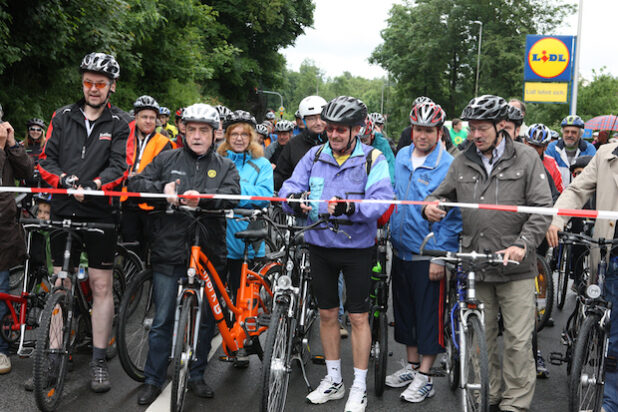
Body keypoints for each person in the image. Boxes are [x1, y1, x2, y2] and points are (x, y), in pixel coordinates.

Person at [423, 95, 552, 412]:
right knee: (483, 343)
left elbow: (541, 210)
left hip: (516, 269)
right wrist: (431, 207)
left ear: (500, 126)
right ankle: (487, 394)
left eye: (482, 128)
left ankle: (514, 404)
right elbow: (439, 195)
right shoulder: (462, 160)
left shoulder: (525, 158)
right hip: (476, 265)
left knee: (519, 343)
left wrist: (522, 244)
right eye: (471, 129)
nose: (475, 134)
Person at [280, 96, 394, 412]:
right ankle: (334, 380)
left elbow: (382, 201)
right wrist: (293, 200)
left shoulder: (373, 159)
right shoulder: (315, 156)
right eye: (330, 129)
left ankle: (358, 386)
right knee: (328, 314)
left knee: (357, 317)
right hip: (319, 246)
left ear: (356, 129)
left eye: (341, 130)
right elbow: (288, 187)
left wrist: (351, 208)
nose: (334, 135)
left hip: (357, 248)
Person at [128, 103, 240, 405]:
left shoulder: (226, 165)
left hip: (209, 250)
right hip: (170, 248)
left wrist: (204, 199)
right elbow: (135, 182)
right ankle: (152, 379)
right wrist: (161, 188)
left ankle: (196, 375)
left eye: (204, 130)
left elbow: (232, 195)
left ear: (215, 134)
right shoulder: (166, 158)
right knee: (162, 318)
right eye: (192, 129)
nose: (197, 136)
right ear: (184, 131)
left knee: (205, 321)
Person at [36, 52, 129, 393]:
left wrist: (91, 186)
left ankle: (99, 360)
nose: (93, 88)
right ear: (82, 82)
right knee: (60, 283)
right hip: (63, 209)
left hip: (101, 212)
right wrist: (64, 181)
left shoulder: (122, 122)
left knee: (100, 285)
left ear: (111, 87)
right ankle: (53, 355)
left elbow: (121, 167)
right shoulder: (62, 116)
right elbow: (46, 160)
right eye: (88, 82)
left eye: (100, 83)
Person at [387, 101, 461, 402]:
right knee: (405, 314)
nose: (422, 135)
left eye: (429, 130)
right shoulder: (403, 154)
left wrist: (441, 254)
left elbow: (455, 215)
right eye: (418, 129)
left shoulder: (449, 164)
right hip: (401, 249)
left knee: (428, 316)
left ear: (439, 132)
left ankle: (427, 376)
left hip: (428, 253)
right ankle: (413, 366)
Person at [545, 141, 618, 412]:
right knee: (604, 322)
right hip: (608, 251)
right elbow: (576, 190)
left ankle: (610, 402)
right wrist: (557, 219)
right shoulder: (606, 154)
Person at [217, 110, 273, 326]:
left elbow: (264, 197)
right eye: (234, 134)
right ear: (227, 137)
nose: (239, 138)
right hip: (221, 239)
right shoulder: (218, 160)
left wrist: (232, 191)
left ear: (252, 137)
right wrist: (244, 196)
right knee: (220, 296)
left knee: (245, 299)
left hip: (249, 241)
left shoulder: (262, 164)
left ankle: (245, 343)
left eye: (244, 134)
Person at [121, 95, 175, 259]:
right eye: (144, 117)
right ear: (136, 118)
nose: (148, 121)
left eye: (152, 117)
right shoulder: (124, 138)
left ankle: (144, 280)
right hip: (125, 200)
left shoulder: (164, 142)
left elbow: (166, 172)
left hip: (151, 203)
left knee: (148, 249)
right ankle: (127, 277)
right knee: (127, 246)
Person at [0, 120, 34, 374]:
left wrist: (11, 144)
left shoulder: (10, 149)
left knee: (1, 293)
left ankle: (2, 349)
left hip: (3, 231)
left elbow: (28, 173)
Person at [273, 95, 328, 191]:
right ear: (304, 121)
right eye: (312, 118)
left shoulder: (335, 142)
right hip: (300, 200)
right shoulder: (293, 145)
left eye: (321, 118)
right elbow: (281, 175)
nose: (318, 122)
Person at [545, 115, 596, 188]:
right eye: (566, 132)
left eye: (574, 132)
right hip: (556, 194)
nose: (569, 135)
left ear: (580, 134)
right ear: (562, 132)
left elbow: (592, 175)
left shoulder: (589, 149)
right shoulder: (552, 148)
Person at [523, 123, 563, 200]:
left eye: (538, 147)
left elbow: (559, 192)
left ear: (545, 147)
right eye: (531, 145)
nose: (533, 149)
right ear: (524, 142)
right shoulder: (514, 159)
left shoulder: (551, 163)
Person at [358, 117, 395, 184]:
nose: (362, 144)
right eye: (360, 140)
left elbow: (390, 165)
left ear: (372, 136)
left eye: (365, 140)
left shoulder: (382, 143)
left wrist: (390, 185)